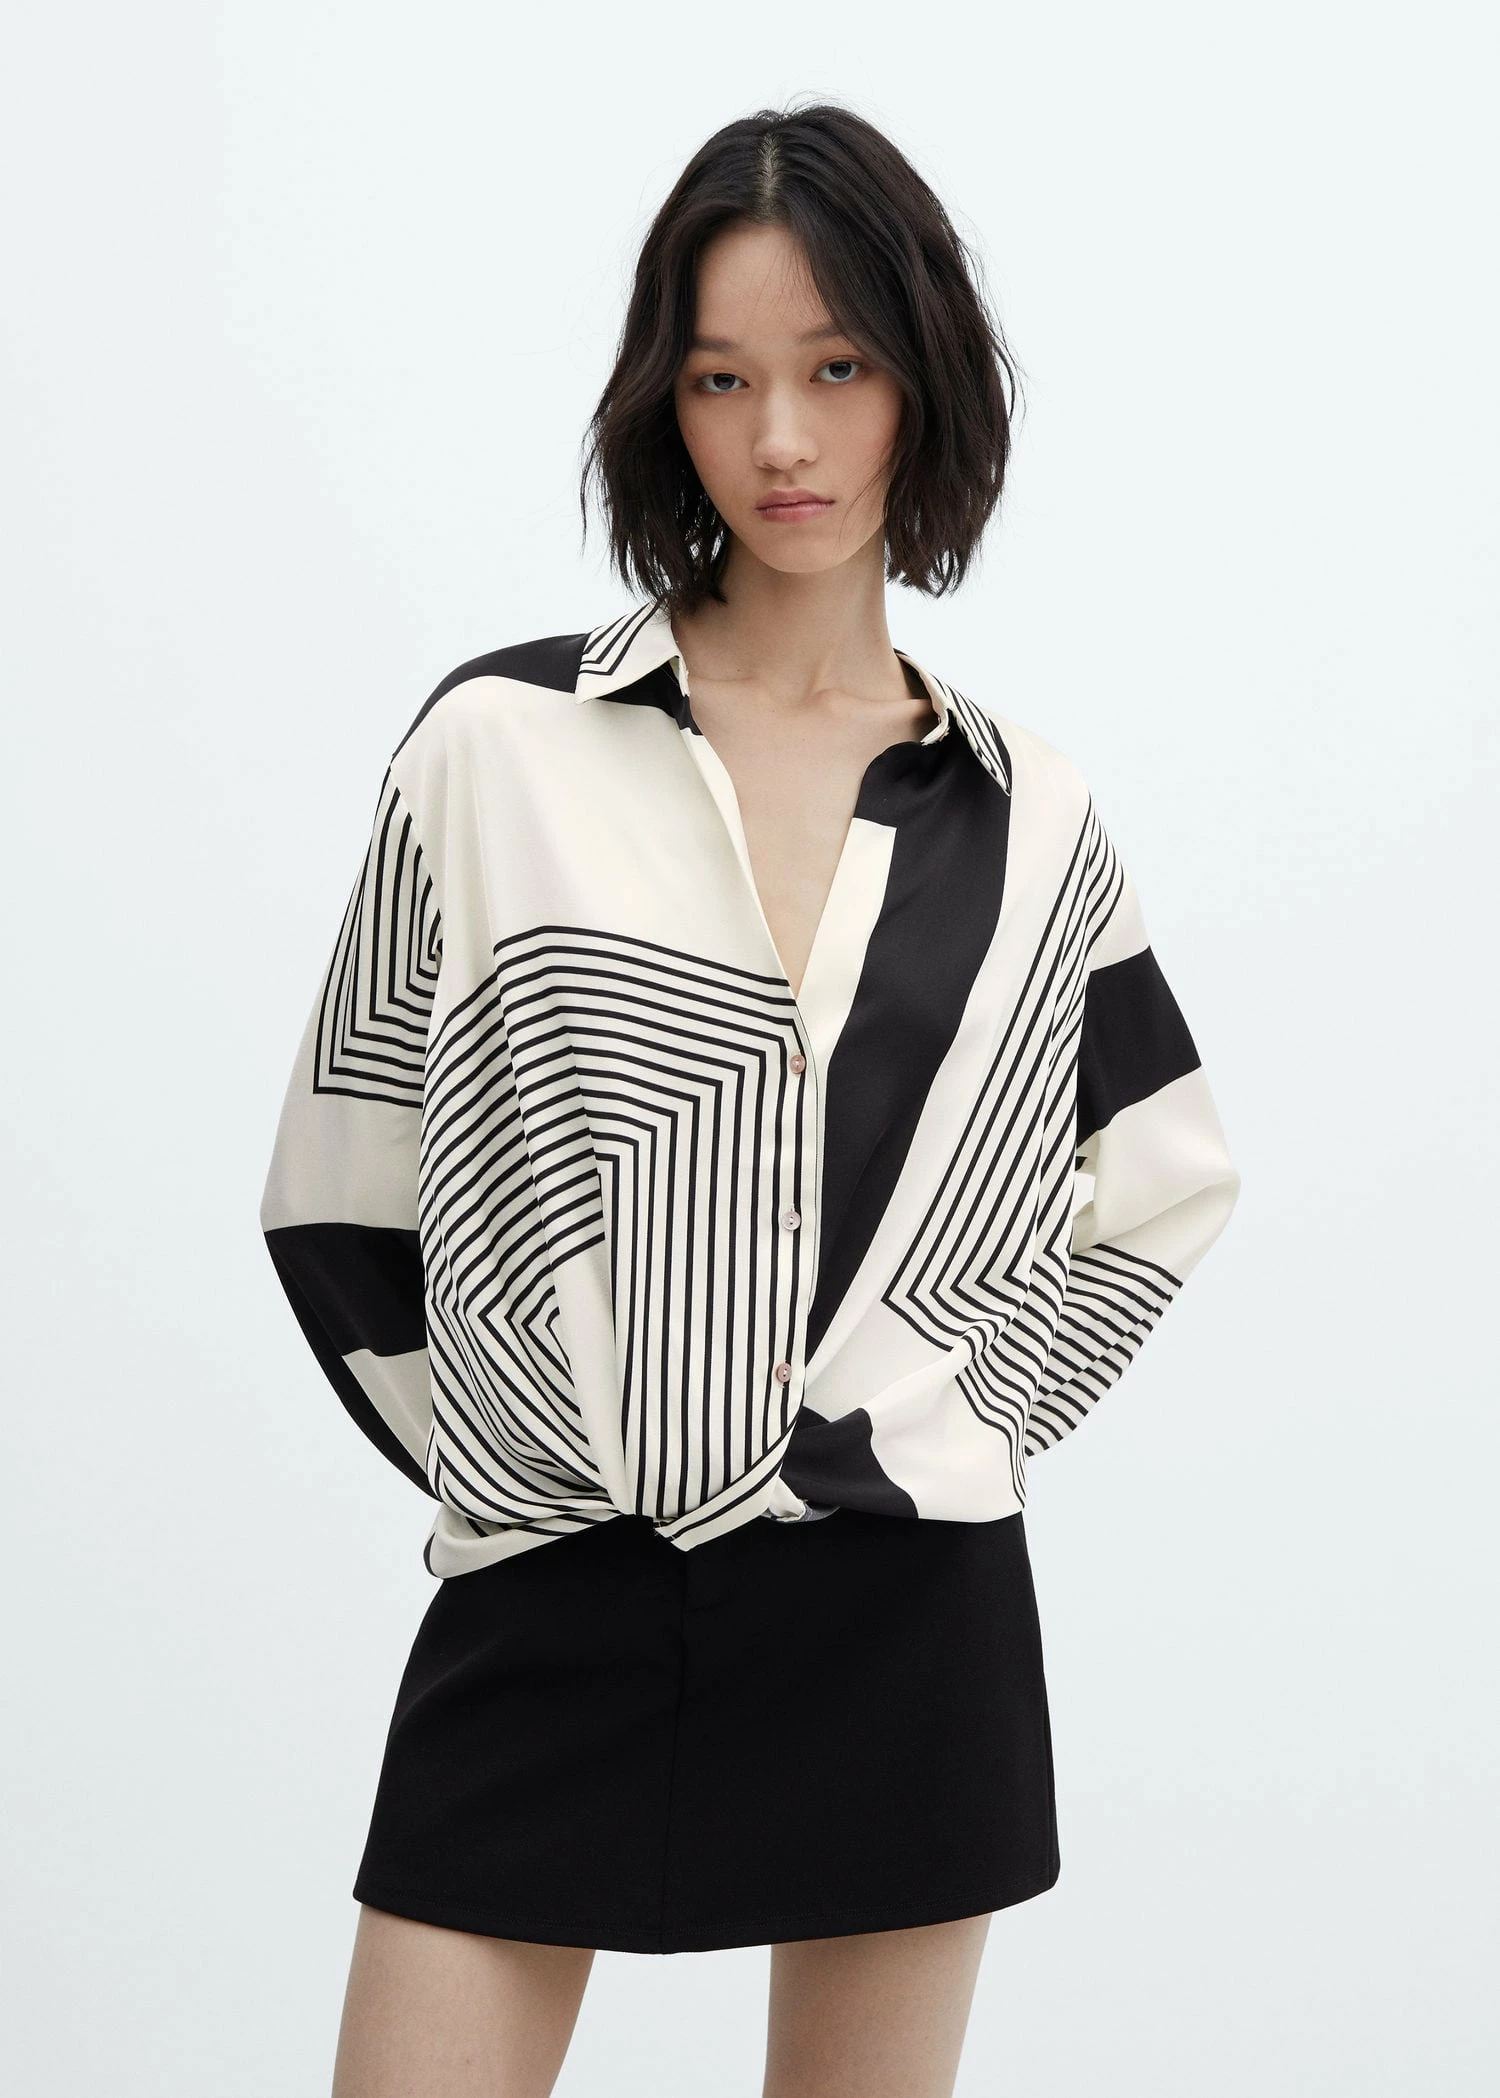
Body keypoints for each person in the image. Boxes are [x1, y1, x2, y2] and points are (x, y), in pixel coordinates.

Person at [259, 101, 1241, 2098]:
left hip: (905, 1625)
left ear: (922, 381)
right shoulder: (502, 747)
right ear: (665, 403)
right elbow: (338, 1186)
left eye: (836, 367)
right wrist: (536, 1448)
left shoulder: (1027, 815)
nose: (781, 436)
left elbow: (1158, 1176)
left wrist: (938, 1420)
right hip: (553, 1591)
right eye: (722, 378)